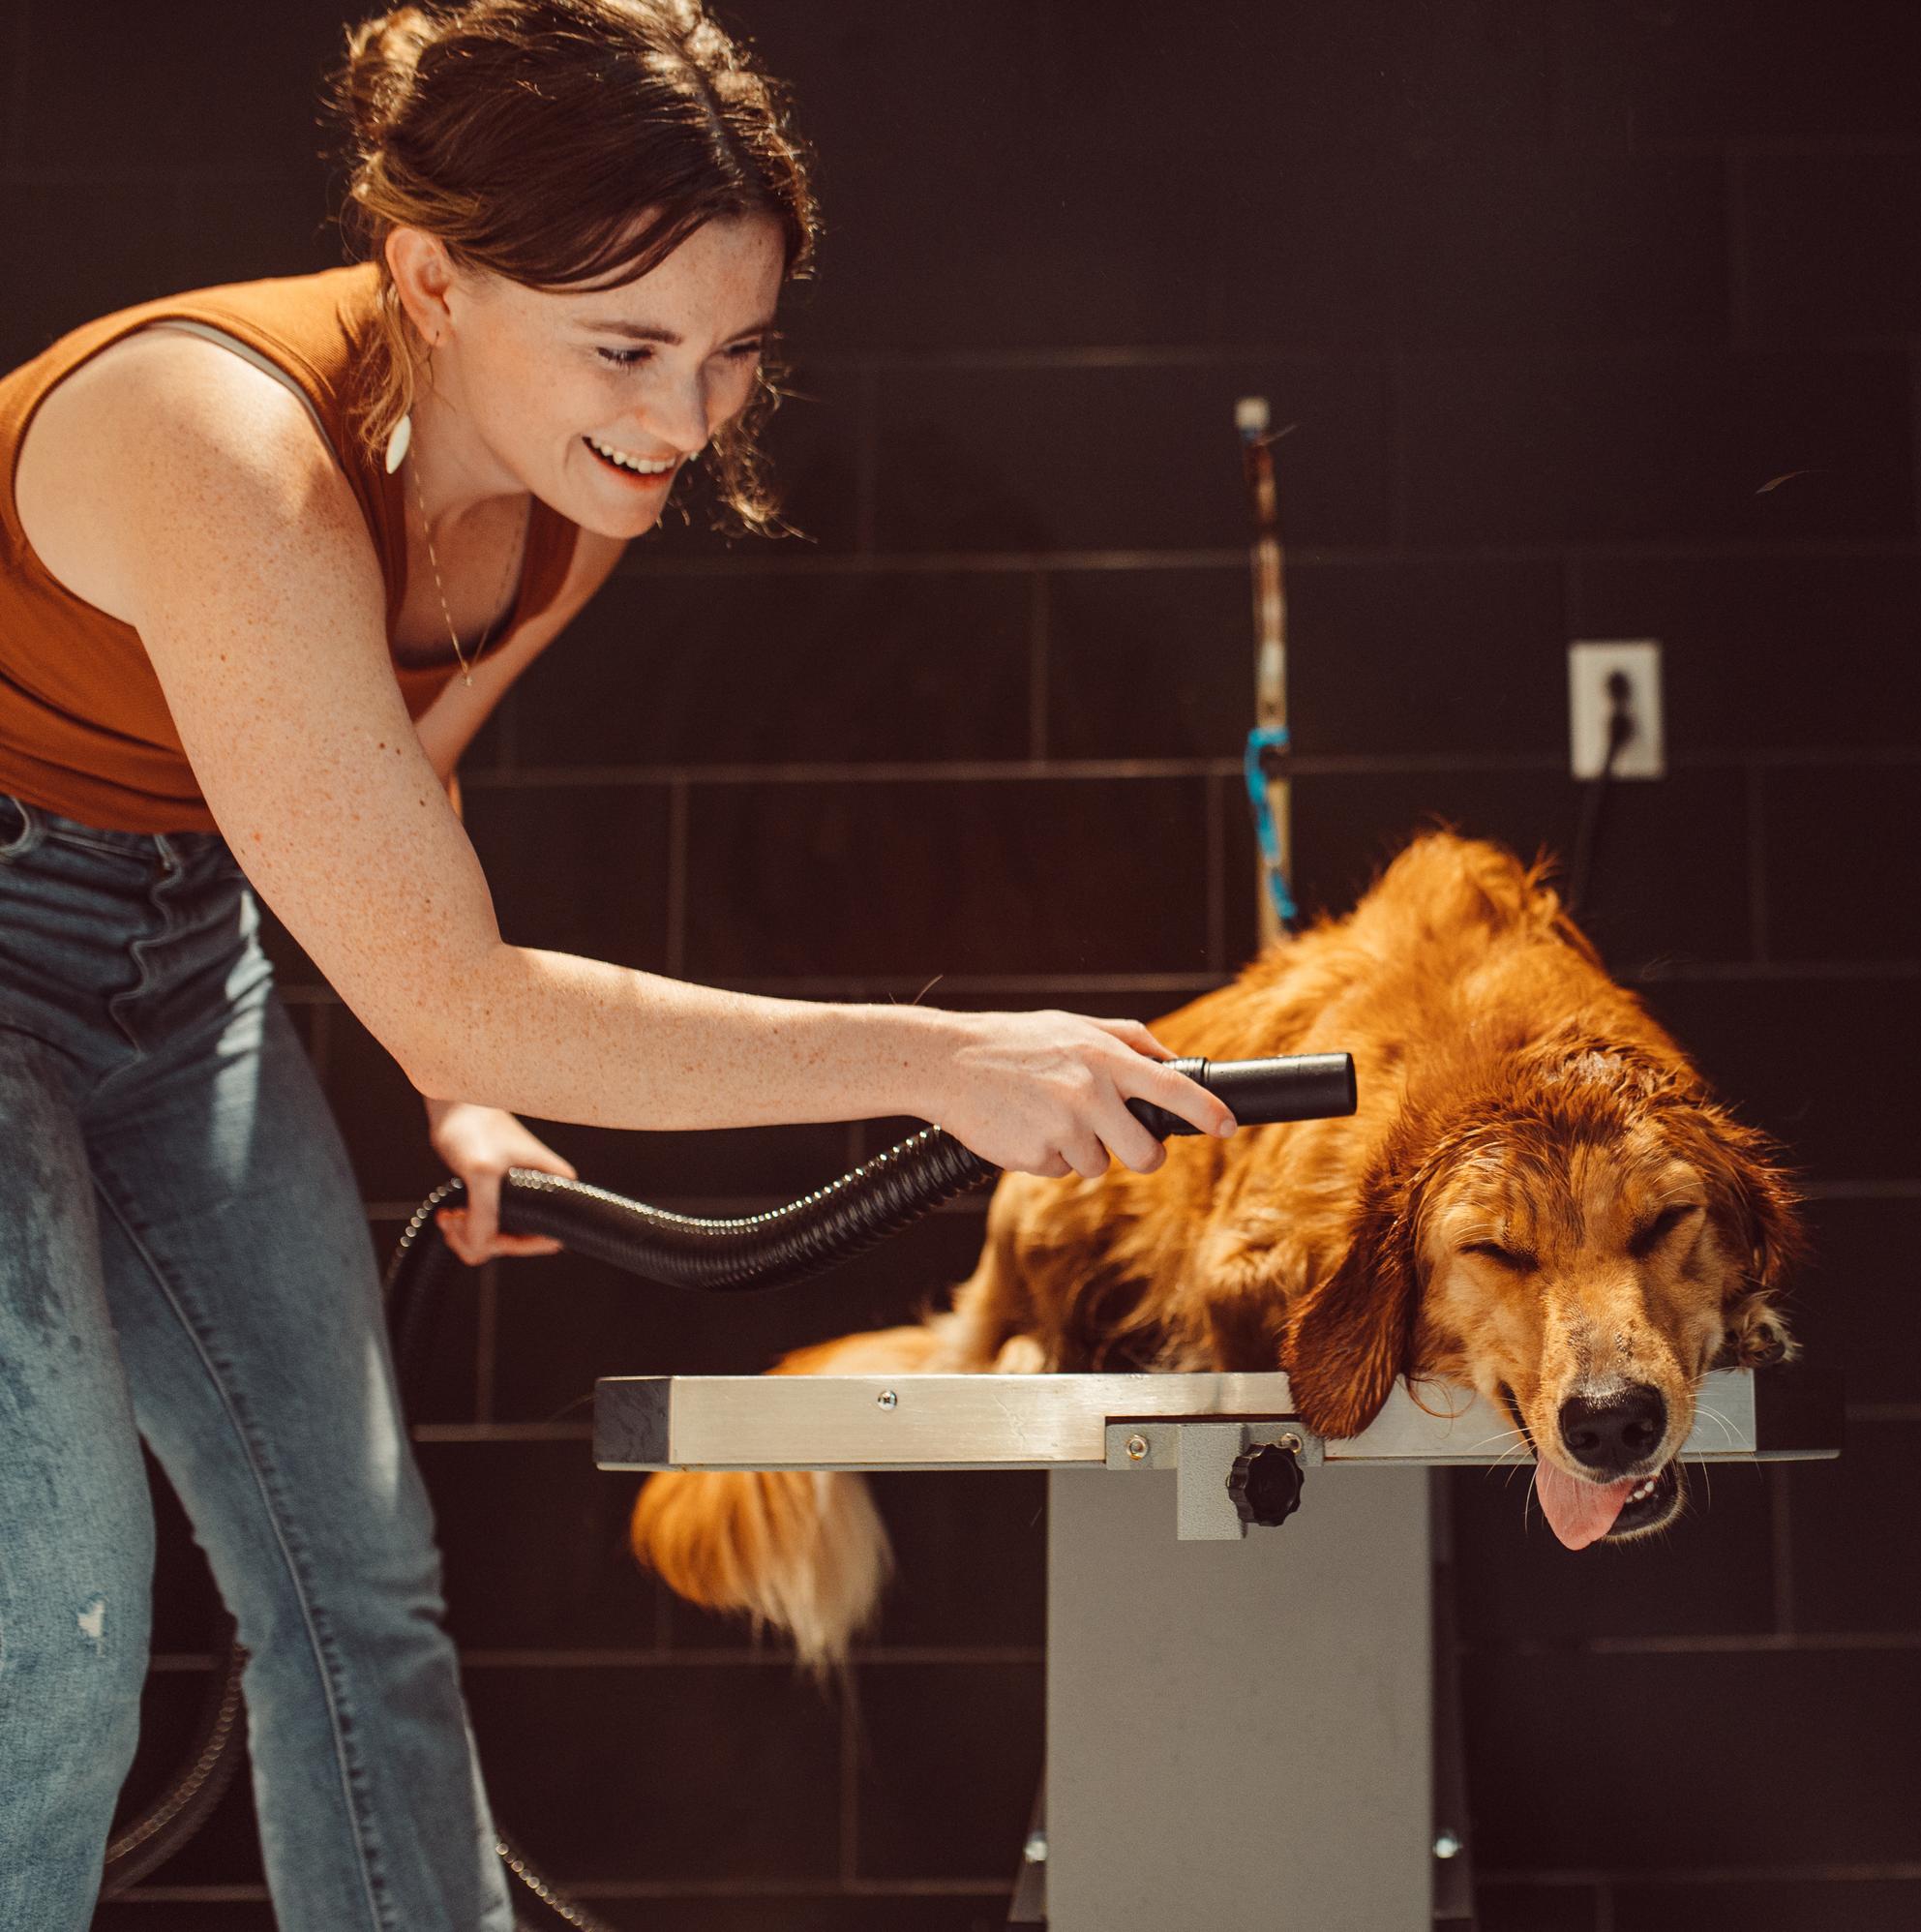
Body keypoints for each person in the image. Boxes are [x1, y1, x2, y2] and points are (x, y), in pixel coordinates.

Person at [0, 3, 1235, 1926]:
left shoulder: (573, 488)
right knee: (55, 1606)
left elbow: (400, 782)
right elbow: (442, 974)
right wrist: (939, 1061)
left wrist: (463, 1094)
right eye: (629, 345)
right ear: (427, 273)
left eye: (733, 350)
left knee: (362, 1589)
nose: (683, 413)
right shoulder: (226, 440)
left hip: (179, 955)